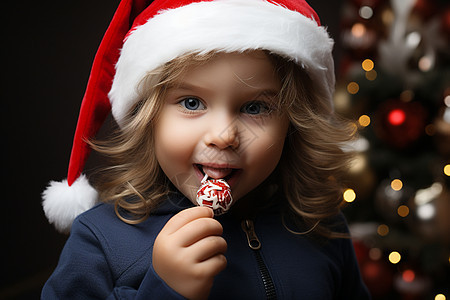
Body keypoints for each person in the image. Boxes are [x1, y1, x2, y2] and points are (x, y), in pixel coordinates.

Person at [41, 0, 370, 299]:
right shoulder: (101, 241)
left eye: (255, 108)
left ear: (293, 124)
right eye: (192, 102)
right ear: (149, 118)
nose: (223, 136)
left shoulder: (321, 227)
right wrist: (164, 290)